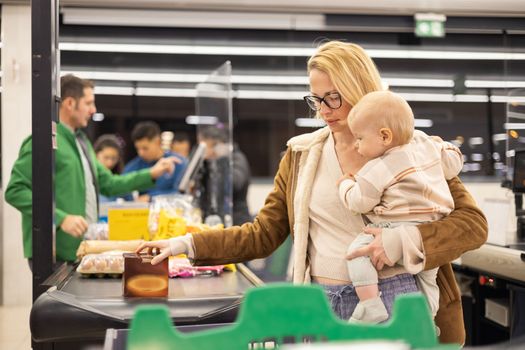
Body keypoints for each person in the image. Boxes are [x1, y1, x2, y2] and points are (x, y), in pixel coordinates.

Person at [136, 41, 487, 344]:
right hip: (321, 303)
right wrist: (187, 244)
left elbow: (472, 224)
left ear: (361, 88)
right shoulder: (301, 155)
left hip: (396, 299)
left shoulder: (410, 148)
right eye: (316, 99)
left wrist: (400, 242)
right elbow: (263, 234)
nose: (323, 111)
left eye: (333, 98)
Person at [4, 74, 180, 264]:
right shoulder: (44, 141)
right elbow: (15, 190)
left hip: (80, 250)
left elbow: (109, 183)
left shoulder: (82, 143)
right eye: (88, 103)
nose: (93, 110)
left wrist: (151, 173)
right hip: (54, 252)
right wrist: (61, 218)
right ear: (70, 103)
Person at [337, 91, 463, 324]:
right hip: (430, 232)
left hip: (395, 226)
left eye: (360, 138)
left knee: (356, 254)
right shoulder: (426, 144)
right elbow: (453, 165)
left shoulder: (380, 166)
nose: (356, 146)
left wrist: (345, 184)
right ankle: (427, 321)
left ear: (385, 136)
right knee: (427, 280)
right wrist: (444, 146)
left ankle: (370, 304)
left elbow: (358, 202)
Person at [197, 126, 252, 225]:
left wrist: (221, 161)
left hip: (237, 222)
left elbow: (234, 184)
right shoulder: (211, 163)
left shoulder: (237, 159)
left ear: (217, 145)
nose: (204, 153)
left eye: (205, 148)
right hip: (220, 220)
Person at [123, 121, 187, 202]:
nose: (141, 153)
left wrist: (151, 198)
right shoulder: (132, 168)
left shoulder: (178, 163)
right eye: (137, 149)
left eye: (145, 148)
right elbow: (124, 193)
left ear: (157, 141)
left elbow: (182, 193)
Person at [94, 134, 125, 203]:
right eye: (106, 157)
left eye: (114, 158)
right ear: (95, 155)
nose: (110, 163)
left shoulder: (121, 178)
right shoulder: (88, 179)